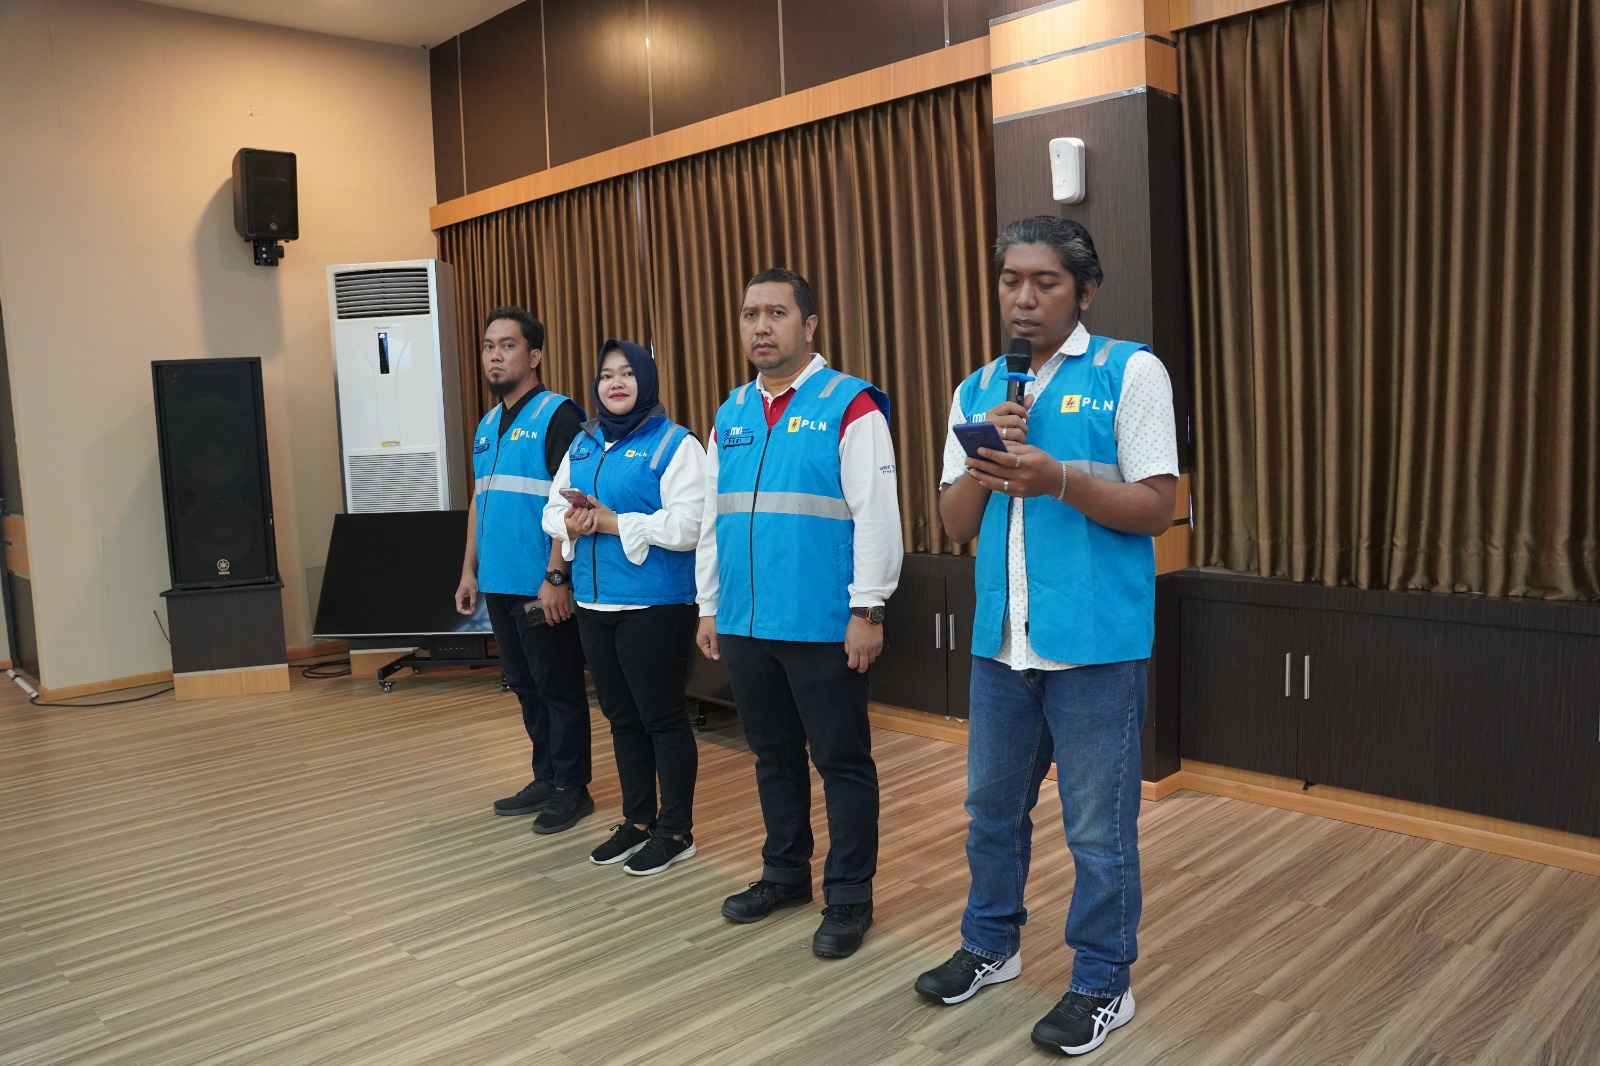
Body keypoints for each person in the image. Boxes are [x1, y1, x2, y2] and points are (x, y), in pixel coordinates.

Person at [912, 217, 1178, 1058]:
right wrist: (989, 464)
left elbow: (1158, 507)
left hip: (1096, 645)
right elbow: (955, 521)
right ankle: (991, 945)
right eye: (1010, 281)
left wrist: (1056, 478)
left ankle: (1103, 983)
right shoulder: (978, 388)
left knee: (1098, 832)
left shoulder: (1129, 371)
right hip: (1002, 643)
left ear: (1085, 290)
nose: (1023, 299)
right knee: (991, 815)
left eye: (1045, 282)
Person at [695, 267, 902, 959]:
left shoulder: (851, 405)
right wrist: (709, 605)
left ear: (808, 325)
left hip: (823, 623)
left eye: (776, 313)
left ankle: (849, 897)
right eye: (750, 313)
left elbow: (877, 515)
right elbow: (713, 519)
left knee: (841, 761)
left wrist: (869, 607)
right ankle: (784, 874)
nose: (761, 326)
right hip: (746, 621)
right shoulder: (730, 413)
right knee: (772, 757)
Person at [542, 340, 707, 876]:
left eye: (627, 374)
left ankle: (675, 831)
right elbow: (550, 509)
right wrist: (571, 522)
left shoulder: (676, 444)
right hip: (594, 601)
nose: (615, 383)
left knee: (662, 717)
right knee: (620, 717)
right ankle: (637, 821)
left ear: (647, 381)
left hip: (656, 603)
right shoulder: (584, 443)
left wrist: (613, 522)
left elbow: (689, 526)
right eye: (607, 375)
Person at [455, 306, 595, 835]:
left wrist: (557, 575)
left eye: (507, 345)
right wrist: (468, 571)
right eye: (488, 346)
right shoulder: (487, 425)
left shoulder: (559, 415)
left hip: (541, 584)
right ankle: (546, 776)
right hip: (498, 580)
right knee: (523, 684)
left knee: (557, 685)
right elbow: (479, 501)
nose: (495, 355)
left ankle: (572, 786)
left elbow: (571, 500)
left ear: (534, 356)